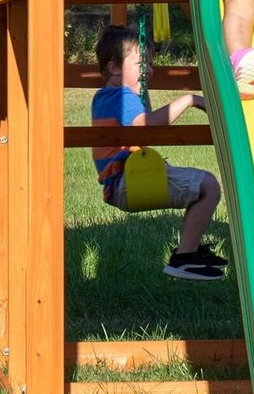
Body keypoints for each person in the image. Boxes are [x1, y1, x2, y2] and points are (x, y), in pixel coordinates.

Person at [90, 25, 225, 281]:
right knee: (209, 186)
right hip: (128, 183)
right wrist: (190, 100)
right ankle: (185, 257)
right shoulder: (121, 97)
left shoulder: (105, 96)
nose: (148, 70)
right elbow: (146, 125)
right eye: (141, 64)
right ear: (114, 68)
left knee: (205, 185)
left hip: (121, 183)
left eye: (150, 64)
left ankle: (189, 252)